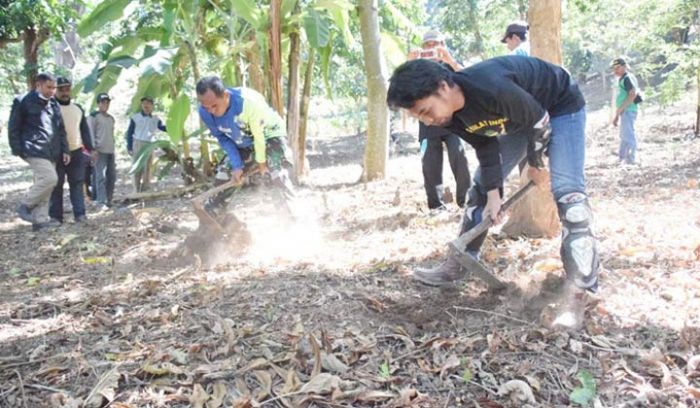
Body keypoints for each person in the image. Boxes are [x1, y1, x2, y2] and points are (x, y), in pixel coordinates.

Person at [386, 56, 599, 296]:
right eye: (419, 117)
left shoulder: (491, 86)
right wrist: (493, 195)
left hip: (559, 106)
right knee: (480, 189)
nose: (427, 120)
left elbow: (539, 121)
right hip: (520, 119)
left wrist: (536, 163)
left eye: (426, 111)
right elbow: (485, 146)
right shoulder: (449, 117)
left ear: (443, 87)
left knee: (568, 196)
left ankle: (582, 288)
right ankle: (460, 263)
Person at [195, 75, 295, 211]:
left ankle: (290, 218)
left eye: (214, 106)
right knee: (225, 174)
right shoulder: (205, 113)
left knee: (273, 171)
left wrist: (262, 164)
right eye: (206, 107)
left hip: (269, 135)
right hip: (243, 142)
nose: (211, 111)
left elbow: (259, 137)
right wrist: (237, 166)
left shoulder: (248, 103)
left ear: (225, 95)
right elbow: (223, 138)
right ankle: (212, 220)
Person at [407, 30, 470, 211]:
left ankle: (465, 201)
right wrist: (410, 62)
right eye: (427, 45)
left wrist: (450, 60)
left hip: (453, 123)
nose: (431, 48)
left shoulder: (450, 65)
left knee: (460, 158)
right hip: (427, 124)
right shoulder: (416, 69)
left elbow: (469, 77)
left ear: (442, 45)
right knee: (430, 165)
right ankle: (436, 206)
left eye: (435, 44)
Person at [8, 73, 70, 231]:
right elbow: (14, 127)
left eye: (53, 87)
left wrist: (65, 149)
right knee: (50, 179)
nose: (52, 90)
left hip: (53, 150)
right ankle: (25, 205)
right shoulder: (23, 101)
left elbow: (60, 129)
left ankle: (40, 221)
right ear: (39, 85)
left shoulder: (54, 104)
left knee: (44, 185)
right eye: (49, 87)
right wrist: (18, 149)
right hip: (33, 148)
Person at [49, 77, 94, 224]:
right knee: (56, 185)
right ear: (55, 90)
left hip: (76, 152)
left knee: (77, 183)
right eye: (60, 89)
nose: (64, 92)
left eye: (67, 89)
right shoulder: (49, 108)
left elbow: (84, 130)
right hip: (56, 153)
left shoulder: (78, 109)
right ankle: (56, 217)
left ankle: (80, 214)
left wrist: (90, 149)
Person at [126, 96, 166, 192]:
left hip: (149, 144)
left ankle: (145, 189)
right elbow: (130, 132)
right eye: (144, 103)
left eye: (148, 103)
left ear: (152, 106)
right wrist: (129, 146)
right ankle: (136, 189)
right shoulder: (135, 117)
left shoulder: (155, 119)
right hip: (138, 143)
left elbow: (163, 127)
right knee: (137, 167)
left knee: (147, 168)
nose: (146, 105)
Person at [88, 93, 117, 209]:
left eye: (107, 102)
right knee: (100, 176)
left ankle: (109, 199)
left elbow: (111, 135)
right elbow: (90, 133)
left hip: (110, 150)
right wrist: (92, 149)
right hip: (99, 150)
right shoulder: (93, 117)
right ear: (98, 103)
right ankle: (100, 201)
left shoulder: (110, 119)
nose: (105, 104)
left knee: (111, 176)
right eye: (102, 102)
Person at [611, 58, 641, 164]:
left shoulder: (627, 78)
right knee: (624, 135)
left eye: (618, 68)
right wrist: (617, 114)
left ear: (624, 67)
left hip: (628, 110)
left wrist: (621, 109)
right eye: (614, 68)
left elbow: (632, 94)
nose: (615, 71)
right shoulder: (623, 79)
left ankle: (632, 159)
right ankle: (622, 157)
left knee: (628, 135)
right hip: (625, 110)